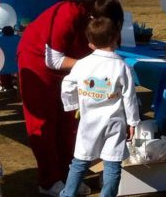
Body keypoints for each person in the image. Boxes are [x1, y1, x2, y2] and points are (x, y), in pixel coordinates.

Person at [17, 0, 124, 196]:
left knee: (70, 122)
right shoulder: (68, 12)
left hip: (73, 67)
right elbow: (53, 59)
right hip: (38, 61)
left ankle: (68, 177)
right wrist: (92, 66)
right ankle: (49, 181)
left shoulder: (107, 24)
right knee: (44, 122)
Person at [59, 16, 140, 197]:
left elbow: (67, 83)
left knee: (80, 161)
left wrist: (73, 104)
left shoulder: (82, 64)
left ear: (90, 44)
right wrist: (133, 121)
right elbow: (130, 98)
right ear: (115, 37)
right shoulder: (122, 66)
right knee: (112, 164)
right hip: (114, 123)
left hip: (89, 121)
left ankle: (68, 194)